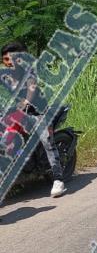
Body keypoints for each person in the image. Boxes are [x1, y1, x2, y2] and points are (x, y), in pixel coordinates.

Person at [1, 42, 66, 197]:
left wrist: (26, 101)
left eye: (12, 58)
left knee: (46, 140)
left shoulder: (28, 72)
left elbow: (31, 88)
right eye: (5, 59)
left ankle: (58, 179)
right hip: (17, 112)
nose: (9, 62)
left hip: (38, 112)